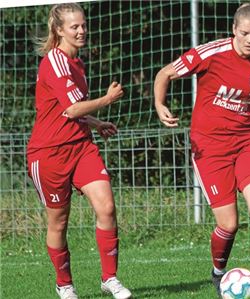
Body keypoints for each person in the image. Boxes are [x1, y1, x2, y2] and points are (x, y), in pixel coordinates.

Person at [154, 3, 250, 299]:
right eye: (244, 33)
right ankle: (218, 273)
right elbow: (165, 73)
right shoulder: (210, 54)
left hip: (248, 142)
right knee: (228, 223)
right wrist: (160, 104)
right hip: (209, 147)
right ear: (234, 30)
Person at [27, 4, 131, 299]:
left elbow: (68, 110)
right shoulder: (54, 61)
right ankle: (65, 284)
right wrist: (107, 99)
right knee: (59, 221)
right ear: (59, 30)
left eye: (83, 25)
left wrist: (96, 124)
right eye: (74, 27)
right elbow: (72, 109)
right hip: (48, 154)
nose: (82, 30)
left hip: (81, 147)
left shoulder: (77, 64)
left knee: (107, 208)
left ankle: (110, 279)